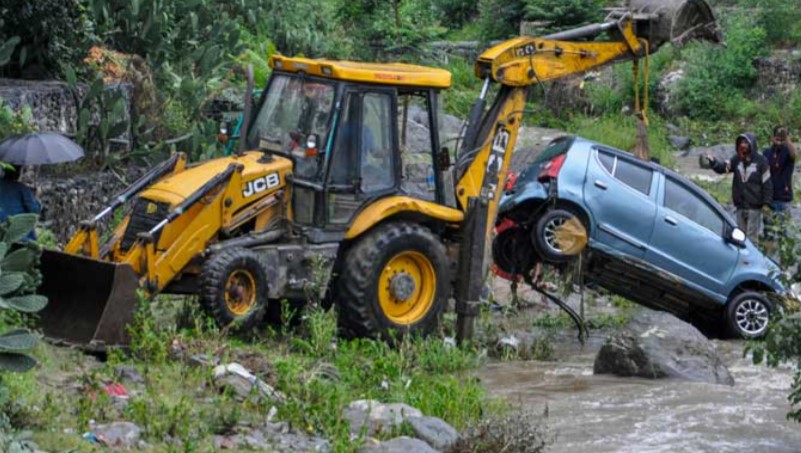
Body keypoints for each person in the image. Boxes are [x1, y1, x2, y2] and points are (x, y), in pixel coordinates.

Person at [707, 133, 772, 239]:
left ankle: (751, 256)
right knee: (740, 237)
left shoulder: (761, 161)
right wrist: (713, 162)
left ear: (752, 144)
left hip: (754, 207)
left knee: (752, 239)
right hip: (740, 205)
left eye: (746, 142)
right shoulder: (736, 159)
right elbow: (723, 168)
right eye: (741, 142)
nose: (743, 145)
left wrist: (766, 203)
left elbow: (767, 183)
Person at [763, 126, 797, 239]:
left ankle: (784, 257)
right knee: (768, 233)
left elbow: (794, 154)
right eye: (776, 136)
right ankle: (768, 255)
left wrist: (786, 138)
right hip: (769, 199)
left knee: (784, 234)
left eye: (781, 137)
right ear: (772, 137)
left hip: (784, 198)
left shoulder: (788, 151)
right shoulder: (766, 152)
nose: (779, 139)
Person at [0, 165, 41, 240]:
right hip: (20, 235)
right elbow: (34, 210)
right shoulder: (21, 188)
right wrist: (36, 196)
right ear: (18, 173)